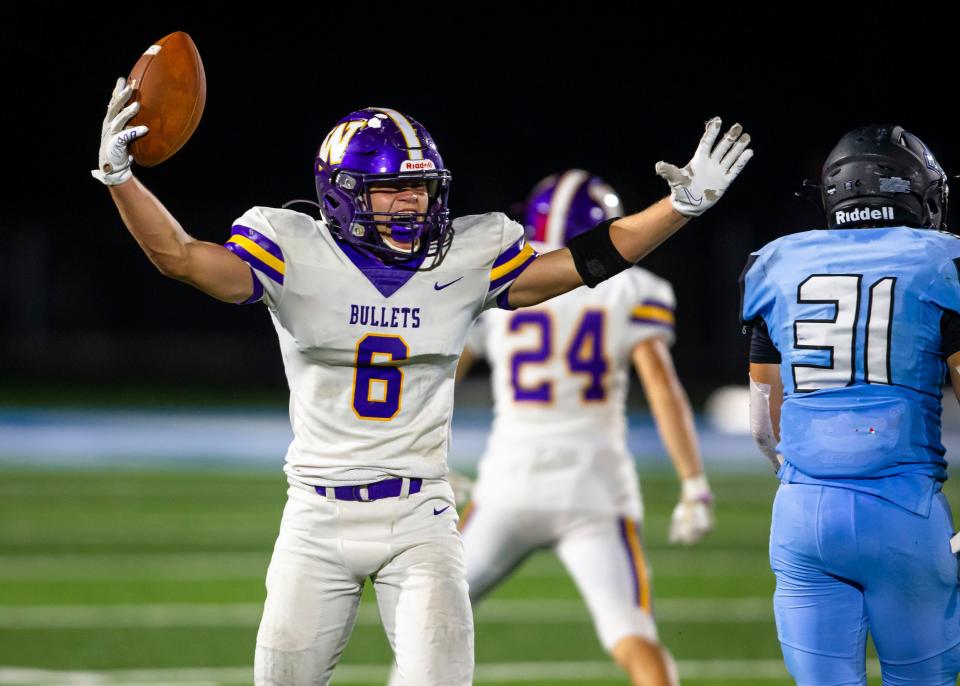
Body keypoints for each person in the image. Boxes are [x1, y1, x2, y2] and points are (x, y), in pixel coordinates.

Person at [93, 75, 751, 686]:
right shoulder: (292, 248)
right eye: (392, 188)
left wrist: (680, 207)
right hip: (316, 518)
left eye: (422, 187)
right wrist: (120, 178)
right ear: (343, 191)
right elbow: (180, 257)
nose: (413, 201)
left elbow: (586, 260)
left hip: (421, 517)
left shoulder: (467, 256)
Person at [389, 170, 714, 686]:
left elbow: (439, 374)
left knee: (428, 626)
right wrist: (694, 484)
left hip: (508, 488)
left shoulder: (505, 278)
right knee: (633, 636)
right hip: (597, 492)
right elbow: (663, 389)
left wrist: (421, 455)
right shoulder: (632, 288)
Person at [741, 124, 960, 685]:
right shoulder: (941, 260)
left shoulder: (778, 261)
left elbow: (764, 425)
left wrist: (806, 480)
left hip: (801, 515)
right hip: (904, 513)